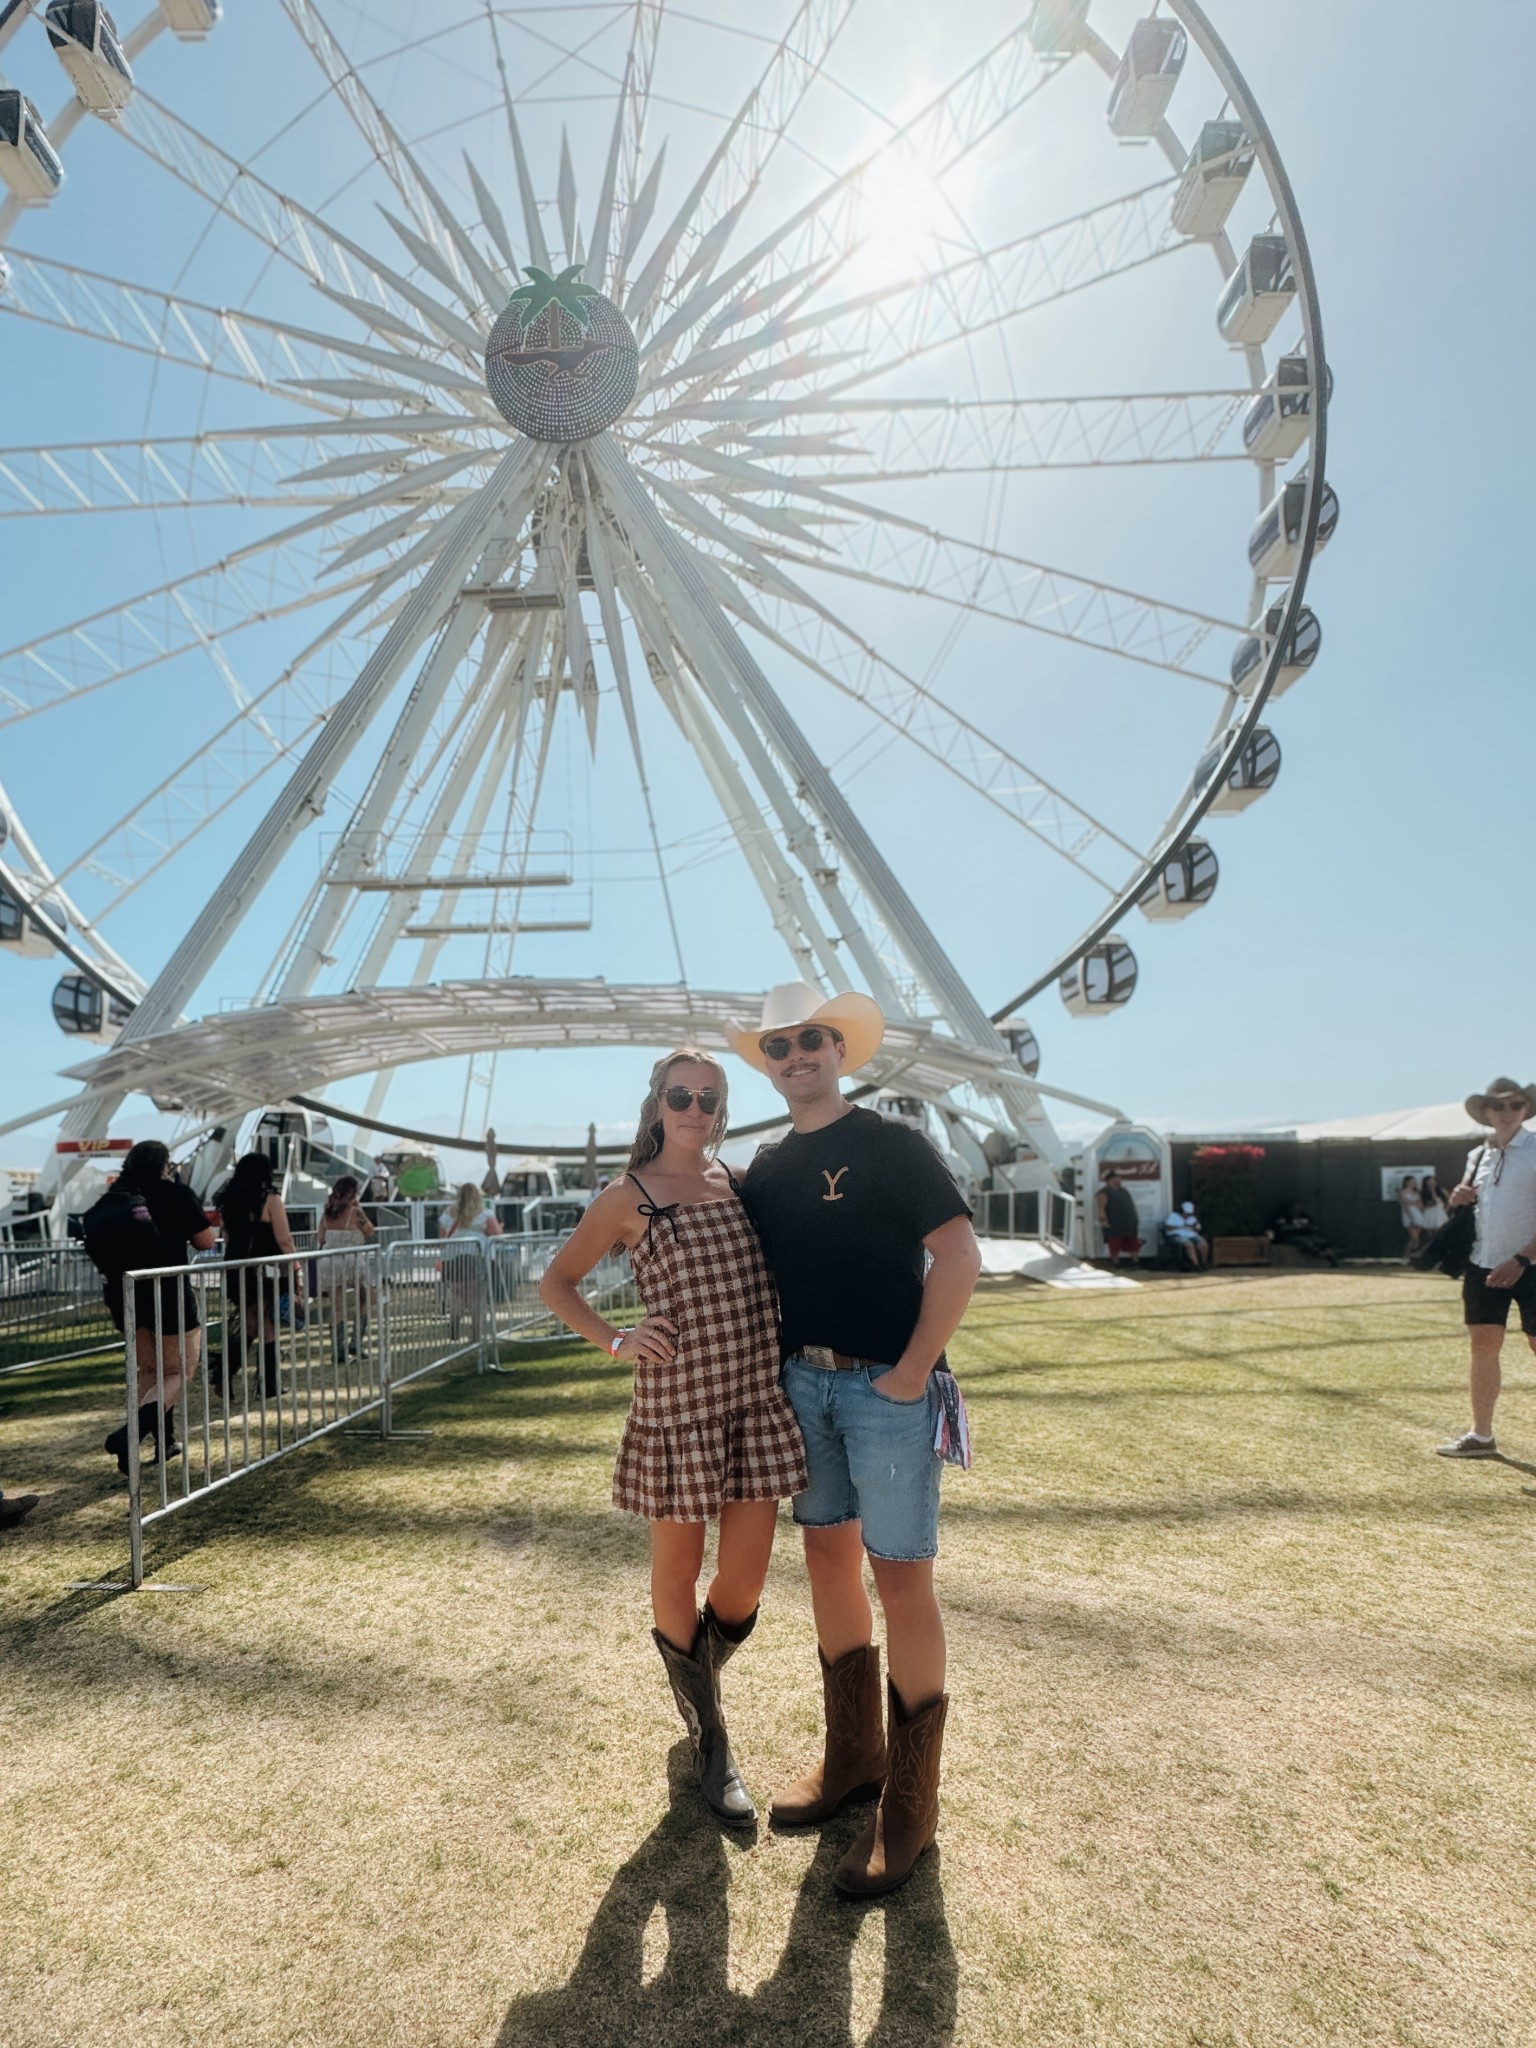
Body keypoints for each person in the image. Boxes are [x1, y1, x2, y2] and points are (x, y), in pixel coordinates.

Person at [728, 982, 981, 1899]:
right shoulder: (766, 1169)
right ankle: (855, 1760)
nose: (796, 1054)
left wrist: (913, 1370)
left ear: (841, 1050)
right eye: (779, 1044)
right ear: (766, 1060)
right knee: (828, 1564)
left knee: (901, 1575)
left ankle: (910, 1808)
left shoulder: (892, 1146)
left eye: (811, 1039)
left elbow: (958, 1255)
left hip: (885, 1388)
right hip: (801, 1383)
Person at [538, 1049, 807, 1827]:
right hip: (678, 1407)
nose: (695, 1107)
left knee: (746, 1582)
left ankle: (699, 1676)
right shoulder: (628, 1197)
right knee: (677, 1570)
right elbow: (559, 1283)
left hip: (754, 1400)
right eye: (681, 1094)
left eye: (709, 1097)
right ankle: (710, 1737)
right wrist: (617, 1341)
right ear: (658, 1103)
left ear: (721, 1110)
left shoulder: (738, 1184)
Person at [93, 1139, 218, 1473]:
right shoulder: (176, 1194)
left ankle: (158, 1443)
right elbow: (205, 1241)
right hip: (170, 1292)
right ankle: (129, 1435)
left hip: (129, 1296)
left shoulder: (117, 1196)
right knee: (180, 1371)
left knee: (150, 1372)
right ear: (165, 1164)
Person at [1436, 1077, 1536, 1459]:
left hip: (1531, 1265)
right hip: (1483, 1263)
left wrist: (1522, 1259)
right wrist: (1458, 1197)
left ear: (1525, 1108)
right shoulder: (1478, 1154)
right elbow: (1467, 1201)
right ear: (1487, 1113)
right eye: (1499, 1106)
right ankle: (1481, 1436)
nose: (1507, 1112)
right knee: (1482, 1346)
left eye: (1515, 1105)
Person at [213, 1152, 300, 1401]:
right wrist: (295, 1269)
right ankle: (268, 1384)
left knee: (252, 1323)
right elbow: (284, 1239)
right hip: (266, 1269)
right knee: (267, 1325)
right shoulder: (270, 1200)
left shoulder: (230, 1201)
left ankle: (224, 1371)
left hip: (237, 1268)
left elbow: (228, 1237)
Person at [318, 1173, 375, 1360]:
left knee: (337, 1307)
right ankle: (355, 1342)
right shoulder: (355, 1212)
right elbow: (369, 1230)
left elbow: (320, 1238)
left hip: (330, 1260)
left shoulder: (327, 1213)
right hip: (352, 1259)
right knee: (365, 1300)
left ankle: (338, 1350)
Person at [438, 1182, 503, 1339]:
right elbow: (497, 1235)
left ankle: (454, 1321)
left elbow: (441, 1239)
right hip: (475, 1256)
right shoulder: (485, 1214)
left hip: (452, 1258)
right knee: (476, 1295)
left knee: (456, 1292)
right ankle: (476, 1332)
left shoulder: (447, 1214)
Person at [1268, 1201, 1340, 1266]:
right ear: (1290, 1209)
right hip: (1291, 1236)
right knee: (1306, 1242)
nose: (1297, 1210)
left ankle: (1331, 1256)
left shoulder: (1304, 1216)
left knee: (1320, 1241)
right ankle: (1322, 1256)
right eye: (1295, 1208)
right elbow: (1283, 1228)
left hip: (1308, 1235)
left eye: (1299, 1208)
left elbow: (1314, 1227)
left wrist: (1308, 1227)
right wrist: (1298, 1227)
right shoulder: (1283, 1217)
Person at [1095, 1171, 1142, 1267]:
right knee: (1115, 1245)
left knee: (1133, 1244)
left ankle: (1135, 1263)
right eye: (1117, 1178)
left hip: (1129, 1223)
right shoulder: (1104, 1192)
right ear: (1110, 1180)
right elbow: (1101, 1207)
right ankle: (1116, 1264)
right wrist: (1103, 1220)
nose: (1120, 1180)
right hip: (1115, 1223)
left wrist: (1135, 1218)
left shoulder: (1123, 1191)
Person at [1163, 1199, 1210, 1270]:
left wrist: (1194, 1227)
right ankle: (1196, 1265)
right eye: (1186, 1213)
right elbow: (1168, 1227)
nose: (1187, 1215)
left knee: (1204, 1244)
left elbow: (1198, 1228)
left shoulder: (1192, 1218)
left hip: (1191, 1235)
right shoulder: (1173, 1216)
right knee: (1189, 1244)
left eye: (1189, 1214)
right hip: (1176, 1235)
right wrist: (1181, 1226)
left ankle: (1203, 1263)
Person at [1398, 1174, 1425, 1262]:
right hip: (1408, 1215)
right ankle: (1406, 1257)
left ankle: (1411, 1257)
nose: (1413, 1183)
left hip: (1418, 1214)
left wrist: (1415, 1204)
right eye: (1411, 1181)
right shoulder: (1402, 1192)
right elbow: (1405, 1205)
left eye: (1414, 1181)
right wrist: (1411, 1218)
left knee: (1415, 1240)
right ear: (1406, 1182)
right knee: (1414, 1238)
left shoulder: (1417, 1193)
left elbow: (1420, 1206)